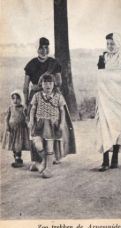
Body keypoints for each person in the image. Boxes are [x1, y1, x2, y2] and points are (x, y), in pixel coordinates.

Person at [24, 37, 76, 169]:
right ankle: (39, 159)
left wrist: (43, 85)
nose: (44, 50)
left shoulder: (54, 63)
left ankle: (54, 156)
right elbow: (25, 86)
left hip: (52, 95)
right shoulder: (31, 64)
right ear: (37, 48)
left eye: (47, 47)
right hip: (35, 97)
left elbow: (59, 82)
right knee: (36, 127)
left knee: (54, 125)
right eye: (41, 47)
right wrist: (26, 103)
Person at [96, 32, 121, 172]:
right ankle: (105, 160)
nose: (110, 46)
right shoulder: (102, 58)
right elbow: (101, 78)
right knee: (104, 127)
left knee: (118, 125)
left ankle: (115, 158)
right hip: (105, 97)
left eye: (112, 43)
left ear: (118, 43)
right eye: (108, 44)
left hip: (119, 97)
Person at [28, 74, 70, 178]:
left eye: (50, 83)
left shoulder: (59, 97)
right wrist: (31, 121)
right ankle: (42, 162)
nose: (48, 85)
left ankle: (48, 169)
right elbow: (33, 109)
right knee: (38, 144)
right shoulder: (36, 96)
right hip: (39, 124)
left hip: (52, 124)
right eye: (45, 82)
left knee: (50, 147)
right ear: (40, 84)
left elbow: (62, 111)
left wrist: (62, 123)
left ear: (54, 84)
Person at [1, 90, 30, 168]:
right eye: (13, 98)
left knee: (18, 145)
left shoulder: (23, 108)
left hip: (20, 130)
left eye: (17, 98)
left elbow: (26, 117)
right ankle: (16, 158)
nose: (15, 100)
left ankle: (18, 159)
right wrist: (7, 126)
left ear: (21, 99)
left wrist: (27, 123)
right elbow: (6, 118)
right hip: (12, 130)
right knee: (13, 145)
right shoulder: (10, 108)